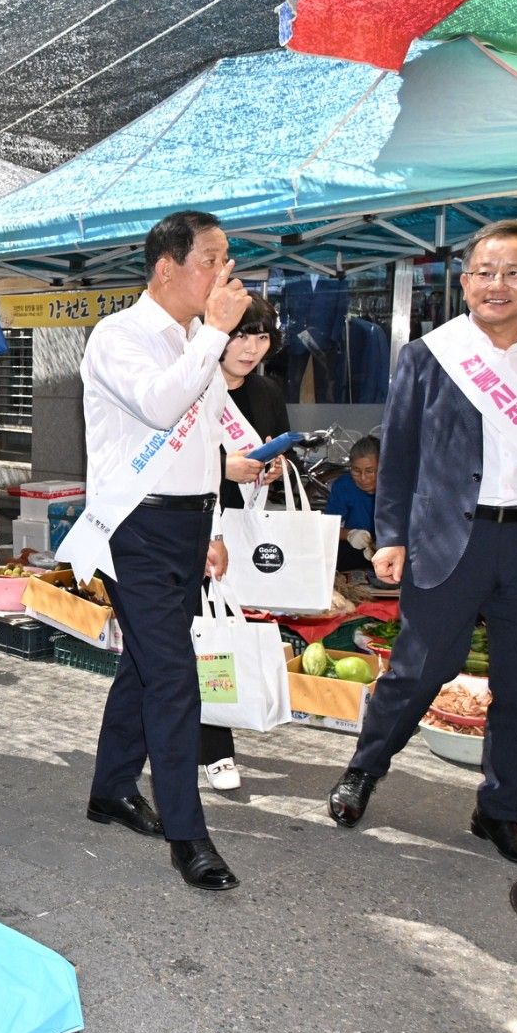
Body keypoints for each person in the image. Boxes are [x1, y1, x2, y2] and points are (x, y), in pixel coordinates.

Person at [327, 220, 517, 866]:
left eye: (515, 273)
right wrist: (392, 535)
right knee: (417, 671)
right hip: (447, 541)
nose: (498, 285)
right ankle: (365, 768)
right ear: (464, 282)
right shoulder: (431, 353)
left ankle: (500, 809)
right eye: (485, 272)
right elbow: (399, 453)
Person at [71, 210, 254, 892]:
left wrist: (214, 525)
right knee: (176, 674)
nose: (222, 272)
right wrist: (213, 337)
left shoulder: (194, 337)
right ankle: (189, 835)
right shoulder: (120, 335)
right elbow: (157, 404)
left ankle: (110, 788)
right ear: (166, 267)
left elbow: (204, 438)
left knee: (149, 666)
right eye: (211, 259)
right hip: (135, 529)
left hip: (186, 523)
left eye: (224, 258)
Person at [200, 296, 289, 793]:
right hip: (193, 528)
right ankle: (215, 747)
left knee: (225, 630)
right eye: (240, 335)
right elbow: (164, 457)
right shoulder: (194, 385)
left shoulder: (268, 392)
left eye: (261, 337)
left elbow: (269, 452)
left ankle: (201, 726)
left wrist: (272, 468)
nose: (251, 348)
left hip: (244, 529)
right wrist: (221, 465)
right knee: (206, 631)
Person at [324, 436, 380, 573]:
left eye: (369, 471)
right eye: (356, 470)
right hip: (358, 547)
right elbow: (328, 527)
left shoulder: (395, 489)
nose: (363, 478)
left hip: (390, 547)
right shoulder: (344, 485)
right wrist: (350, 534)